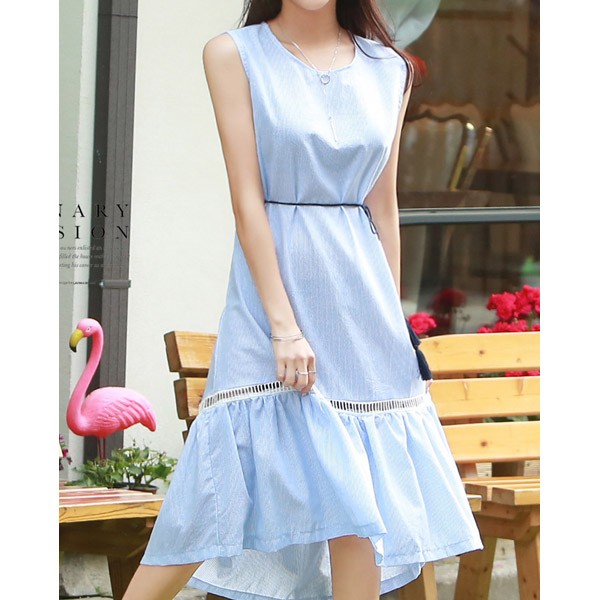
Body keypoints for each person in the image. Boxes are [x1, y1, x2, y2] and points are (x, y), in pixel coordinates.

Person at [123, 1, 483, 599]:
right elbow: (247, 201)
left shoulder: (390, 68)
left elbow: (383, 205)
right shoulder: (234, 54)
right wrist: (283, 326)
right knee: (210, 494)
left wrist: (393, 324)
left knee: (360, 508)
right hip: (272, 300)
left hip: (361, 305)